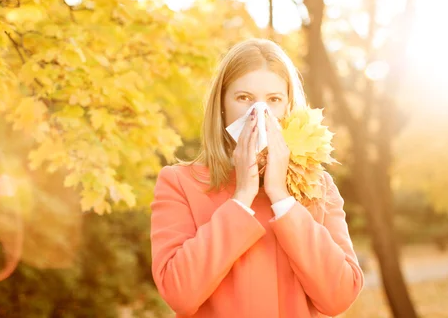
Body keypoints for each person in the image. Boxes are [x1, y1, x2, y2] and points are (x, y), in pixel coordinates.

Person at [150, 38, 364, 317]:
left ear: (288, 108)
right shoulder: (179, 182)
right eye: (244, 98)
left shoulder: (318, 187)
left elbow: (339, 296)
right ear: (222, 105)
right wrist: (241, 197)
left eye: (273, 100)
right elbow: (179, 294)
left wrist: (281, 198)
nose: (259, 113)